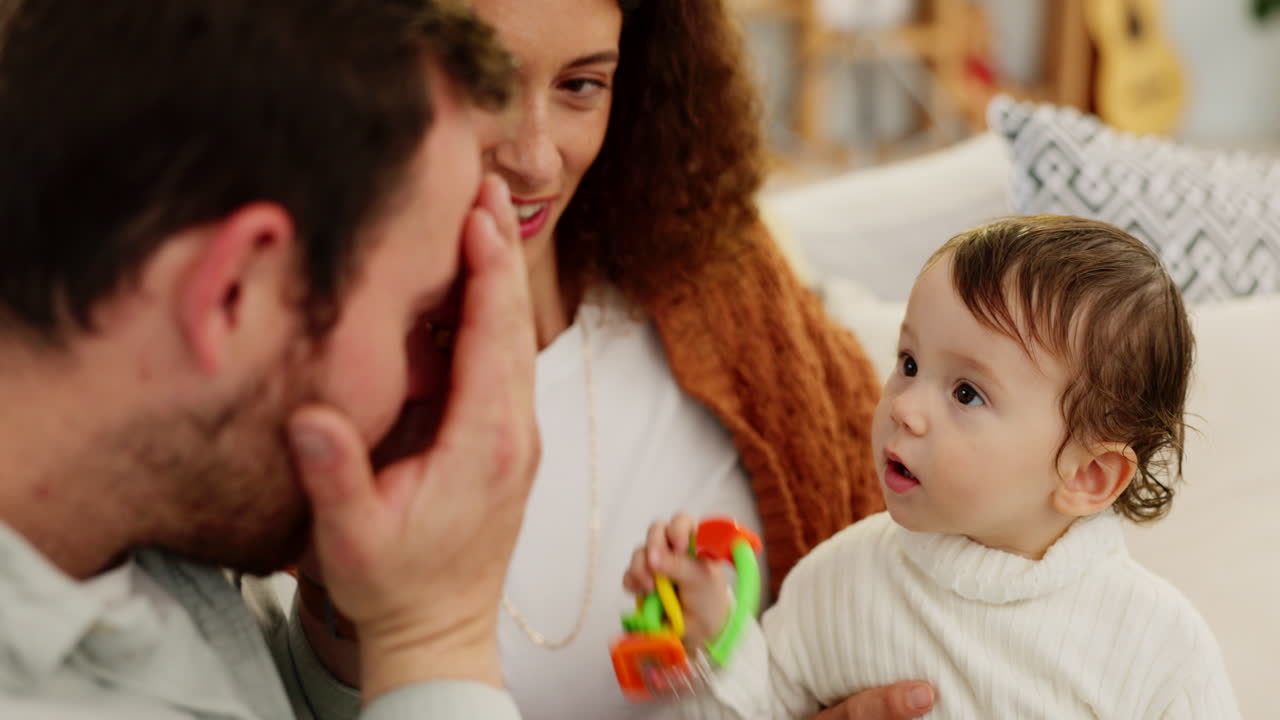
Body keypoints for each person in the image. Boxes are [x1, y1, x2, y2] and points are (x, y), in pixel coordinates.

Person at [293, 1, 935, 718]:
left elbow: (904, 561)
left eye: (581, 85)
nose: (538, 158)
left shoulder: (712, 266)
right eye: (484, 87)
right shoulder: (292, 374)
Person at [0, 1, 542, 719]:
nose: (433, 384)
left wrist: (371, 618)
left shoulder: (142, 544)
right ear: (231, 294)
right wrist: (439, 635)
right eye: (416, 316)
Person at [628, 216, 1243, 718]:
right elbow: (760, 709)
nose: (906, 408)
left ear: (1087, 477)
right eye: (910, 363)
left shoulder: (1154, 645)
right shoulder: (841, 580)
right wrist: (714, 638)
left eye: (967, 393)